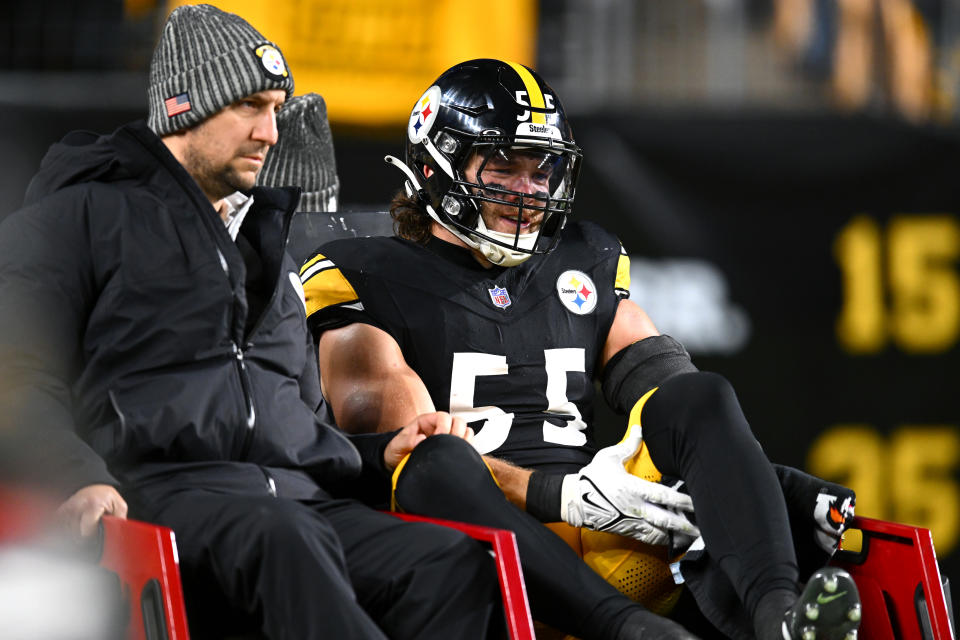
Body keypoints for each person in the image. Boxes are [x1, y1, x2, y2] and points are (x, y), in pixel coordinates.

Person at [298, 58, 862, 640]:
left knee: (701, 394)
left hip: (608, 539)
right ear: (435, 165)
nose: (529, 192)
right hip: (485, 562)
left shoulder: (581, 259)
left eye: (541, 172)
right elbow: (409, 455)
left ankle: (781, 620)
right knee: (436, 460)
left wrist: (765, 484)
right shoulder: (365, 275)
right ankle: (632, 632)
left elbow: (683, 408)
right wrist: (557, 493)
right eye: (502, 168)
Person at [0, 8, 502, 639]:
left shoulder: (265, 245)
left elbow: (294, 422)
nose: (270, 130)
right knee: (284, 536)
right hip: (158, 499)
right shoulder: (75, 220)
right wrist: (74, 476)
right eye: (248, 106)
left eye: (275, 107)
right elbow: (16, 377)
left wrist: (379, 454)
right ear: (185, 108)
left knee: (447, 562)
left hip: (294, 502)